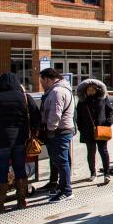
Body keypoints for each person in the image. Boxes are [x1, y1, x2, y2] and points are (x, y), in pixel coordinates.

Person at [0, 73, 41, 214]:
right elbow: (36, 116)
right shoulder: (24, 97)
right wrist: (32, 131)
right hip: (20, 139)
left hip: (0, 140)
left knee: (2, 171)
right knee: (20, 169)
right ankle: (21, 201)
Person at [40, 68, 75, 202]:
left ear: (48, 79)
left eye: (42, 81)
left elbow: (55, 114)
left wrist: (50, 130)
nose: (42, 84)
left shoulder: (57, 92)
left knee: (61, 161)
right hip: (62, 130)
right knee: (62, 160)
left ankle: (66, 190)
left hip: (58, 131)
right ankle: (62, 188)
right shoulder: (63, 89)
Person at [75, 79, 112, 185]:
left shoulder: (103, 98)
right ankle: (93, 173)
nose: (91, 91)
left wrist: (108, 123)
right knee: (91, 152)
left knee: (103, 151)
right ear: (85, 91)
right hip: (87, 130)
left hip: (102, 129)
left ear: (97, 90)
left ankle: (106, 173)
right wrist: (81, 127)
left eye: (93, 89)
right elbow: (78, 116)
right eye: (88, 90)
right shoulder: (82, 101)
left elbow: (110, 111)